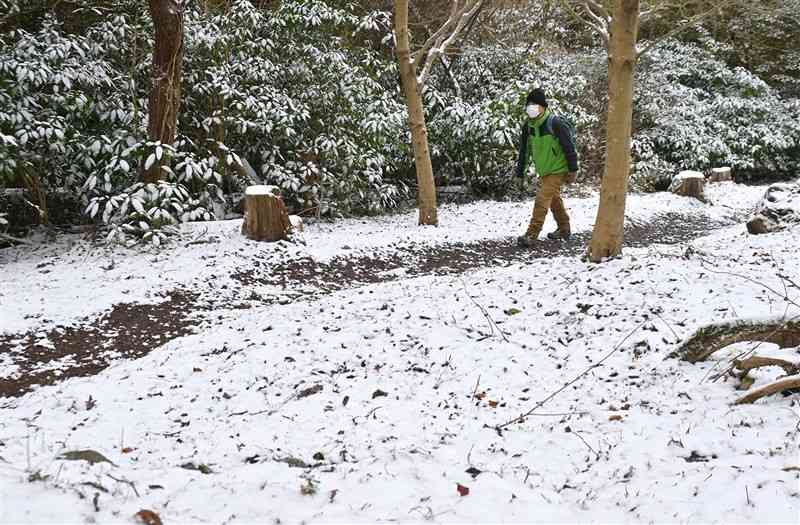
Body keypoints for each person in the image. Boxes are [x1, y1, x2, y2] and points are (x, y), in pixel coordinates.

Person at [515, 88, 578, 247]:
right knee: (554, 200)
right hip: (544, 169)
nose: (531, 107)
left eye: (535, 104)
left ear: (543, 106)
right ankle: (564, 229)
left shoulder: (555, 123)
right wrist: (519, 172)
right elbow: (524, 150)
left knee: (542, 199)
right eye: (529, 104)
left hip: (558, 168)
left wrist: (573, 169)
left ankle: (531, 233)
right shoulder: (528, 126)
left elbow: (568, 146)